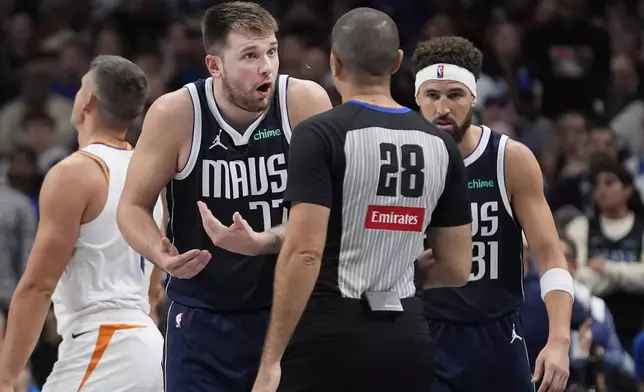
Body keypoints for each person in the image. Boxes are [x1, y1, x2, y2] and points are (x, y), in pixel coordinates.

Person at [226, 8, 471, 392]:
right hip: (407, 337)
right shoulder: (441, 144)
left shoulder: (320, 134)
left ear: (334, 63)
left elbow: (304, 253)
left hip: (328, 336)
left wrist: (271, 359)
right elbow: (457, 267)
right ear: (397, 63)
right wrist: (393, 274)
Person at [116, 2, 332, 392]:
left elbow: (331, 215)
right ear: (214, 66)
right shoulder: (176, 113)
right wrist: (160, 254)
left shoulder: (304, 103)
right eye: (250, 55)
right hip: (202, 318)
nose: (266, 66)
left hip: (288, 314)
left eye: (271, 51)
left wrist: (264, 242)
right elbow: (131, 207)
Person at [412, 36, 574, 392]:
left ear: (473, 97)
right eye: (432, 95)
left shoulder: (509, 159)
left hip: (497, 336)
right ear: (416, 99)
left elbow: (550, 256)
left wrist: (560, 342)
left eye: (454, 95)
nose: (442, 107)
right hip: (423, 335)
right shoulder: (401, 161)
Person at [0, 55, 164, 392]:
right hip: (149, 345)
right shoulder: (149, 177)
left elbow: (38, 286)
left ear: (86, 100)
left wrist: (6, 374)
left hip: (105, 345)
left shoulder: (73, 173)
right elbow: (154, 287)